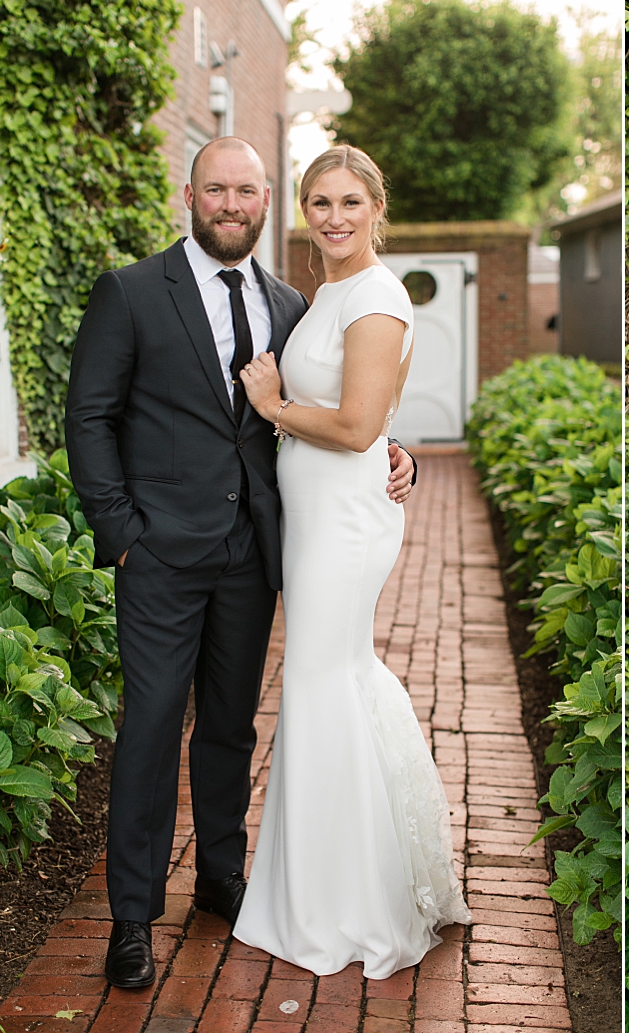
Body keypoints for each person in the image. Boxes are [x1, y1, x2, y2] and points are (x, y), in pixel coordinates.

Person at [65, 137, 417, 990]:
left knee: (229, 726)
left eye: (248, 191)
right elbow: (88, 416)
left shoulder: (292, 301)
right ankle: (133, 917)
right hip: (159, 554)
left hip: (255, 552)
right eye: (217, 188)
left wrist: (394, 450)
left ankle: (221, 875)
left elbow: (334, 406)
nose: (232, 204)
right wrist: (122, 534)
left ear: (266, 204)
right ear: (190, 194)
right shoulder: (132, 291)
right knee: (150, 729)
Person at [230, 144, 470, 977]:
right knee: (333, 677)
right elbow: (372, 419)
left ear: (377, 208)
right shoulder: (328, 291)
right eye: (318, 203)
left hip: (344, 516)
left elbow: (360, 425)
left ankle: (347, 902)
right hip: (315, 511)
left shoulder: (379, 294)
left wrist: (273, 406)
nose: (333, 217)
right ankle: (333, 878)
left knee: (319, 679)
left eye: (348, 202)